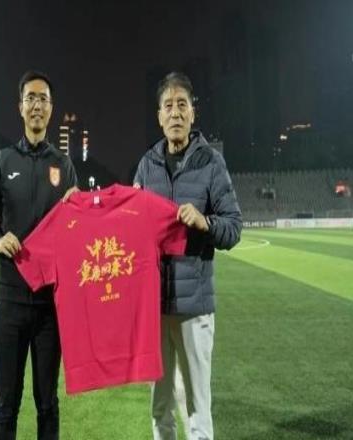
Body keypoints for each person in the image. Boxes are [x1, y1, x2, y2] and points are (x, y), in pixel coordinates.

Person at [133, 72, 242, 440]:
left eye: (182, 105)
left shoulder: (211, 163)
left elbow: (233, 228)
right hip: (155, 309)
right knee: (159, 408)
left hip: (194, 308)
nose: (175, 112)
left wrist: (205, 222)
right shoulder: (147, 164)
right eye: (168, 105)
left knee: (197, 408)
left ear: (193, 113)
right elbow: (130, 225)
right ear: (158, 116)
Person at [0, 70, 78, 440]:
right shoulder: (3, 161)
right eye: (30, 98)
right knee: (7, 403)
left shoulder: (64, 165)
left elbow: (76, 228)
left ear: (51, 108)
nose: (36, 105)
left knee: (47, 403)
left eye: (43, 99)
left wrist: (79, 208)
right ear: (20, 107)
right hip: (11, 303)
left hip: (50, 306)